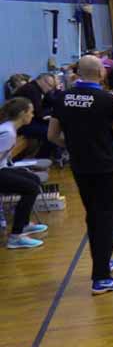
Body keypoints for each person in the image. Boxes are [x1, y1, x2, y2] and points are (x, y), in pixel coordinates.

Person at [47, 55, 113, 294]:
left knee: (94, 215)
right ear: (101, 73)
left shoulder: (62, 98)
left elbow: (52, 135)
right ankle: (101, 278)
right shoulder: (107, 99)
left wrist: (74, 146)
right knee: (108, 218)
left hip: (80, 167)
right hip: (105, 168)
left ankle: (102, 260)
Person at [0, 98, 48, 249]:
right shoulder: (7, 132)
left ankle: (24, 223)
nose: (33, 115)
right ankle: (15, 237)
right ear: (22, 114)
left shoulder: (10, 129)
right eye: (31, 112)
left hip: (3, 168)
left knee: (33, 179)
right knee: (30, 188)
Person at [12, 73, 58, 159]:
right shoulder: (31, 90)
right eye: (50, 85)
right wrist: (52, 113)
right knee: (51, 134)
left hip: (30, 120)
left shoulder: (39, 89)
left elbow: (53, 101)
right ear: (42, 81)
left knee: (55, 127)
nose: (50, 89)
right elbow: (38, 113)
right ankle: (39, 159)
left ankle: (51, 156)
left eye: (52, 87)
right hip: (20, 124)